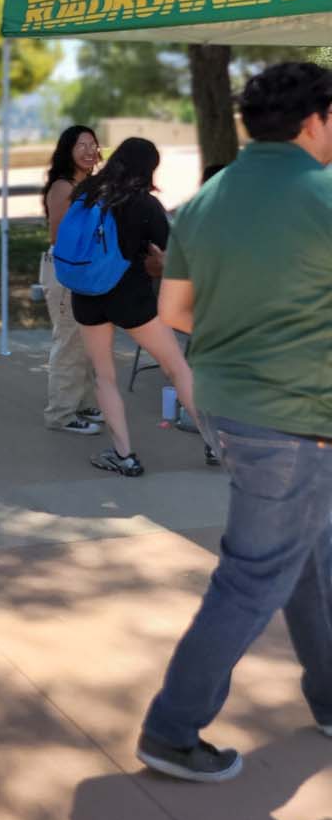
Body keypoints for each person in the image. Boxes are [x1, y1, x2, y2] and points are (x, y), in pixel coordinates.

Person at [137, 62, 332, 782]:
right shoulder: (325, 196)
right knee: (253, 579)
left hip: (226, 408)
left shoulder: (207, 199)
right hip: (297, 418)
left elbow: (175, 315)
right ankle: (171, 729)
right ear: (315, 119)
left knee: (313, 557)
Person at [69, 136, 197, 477]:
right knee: (177, 367)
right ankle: (216, 445)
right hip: (131, 296)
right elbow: (172, 256)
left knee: (104, 376)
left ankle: (123, 455)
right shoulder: (144, 204)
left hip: (86, 294)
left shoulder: (85, 193)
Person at [40, 125, 104, 436]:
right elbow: (59, 236)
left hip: (84, 269)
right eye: (83, 145)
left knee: (85, 340)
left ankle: (81, 402)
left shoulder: (89, 185)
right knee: (68, 340)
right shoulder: (63, 187)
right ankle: (61, 413)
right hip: (66, 269)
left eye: (94, 144)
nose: (90, 151)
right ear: (68, 149)